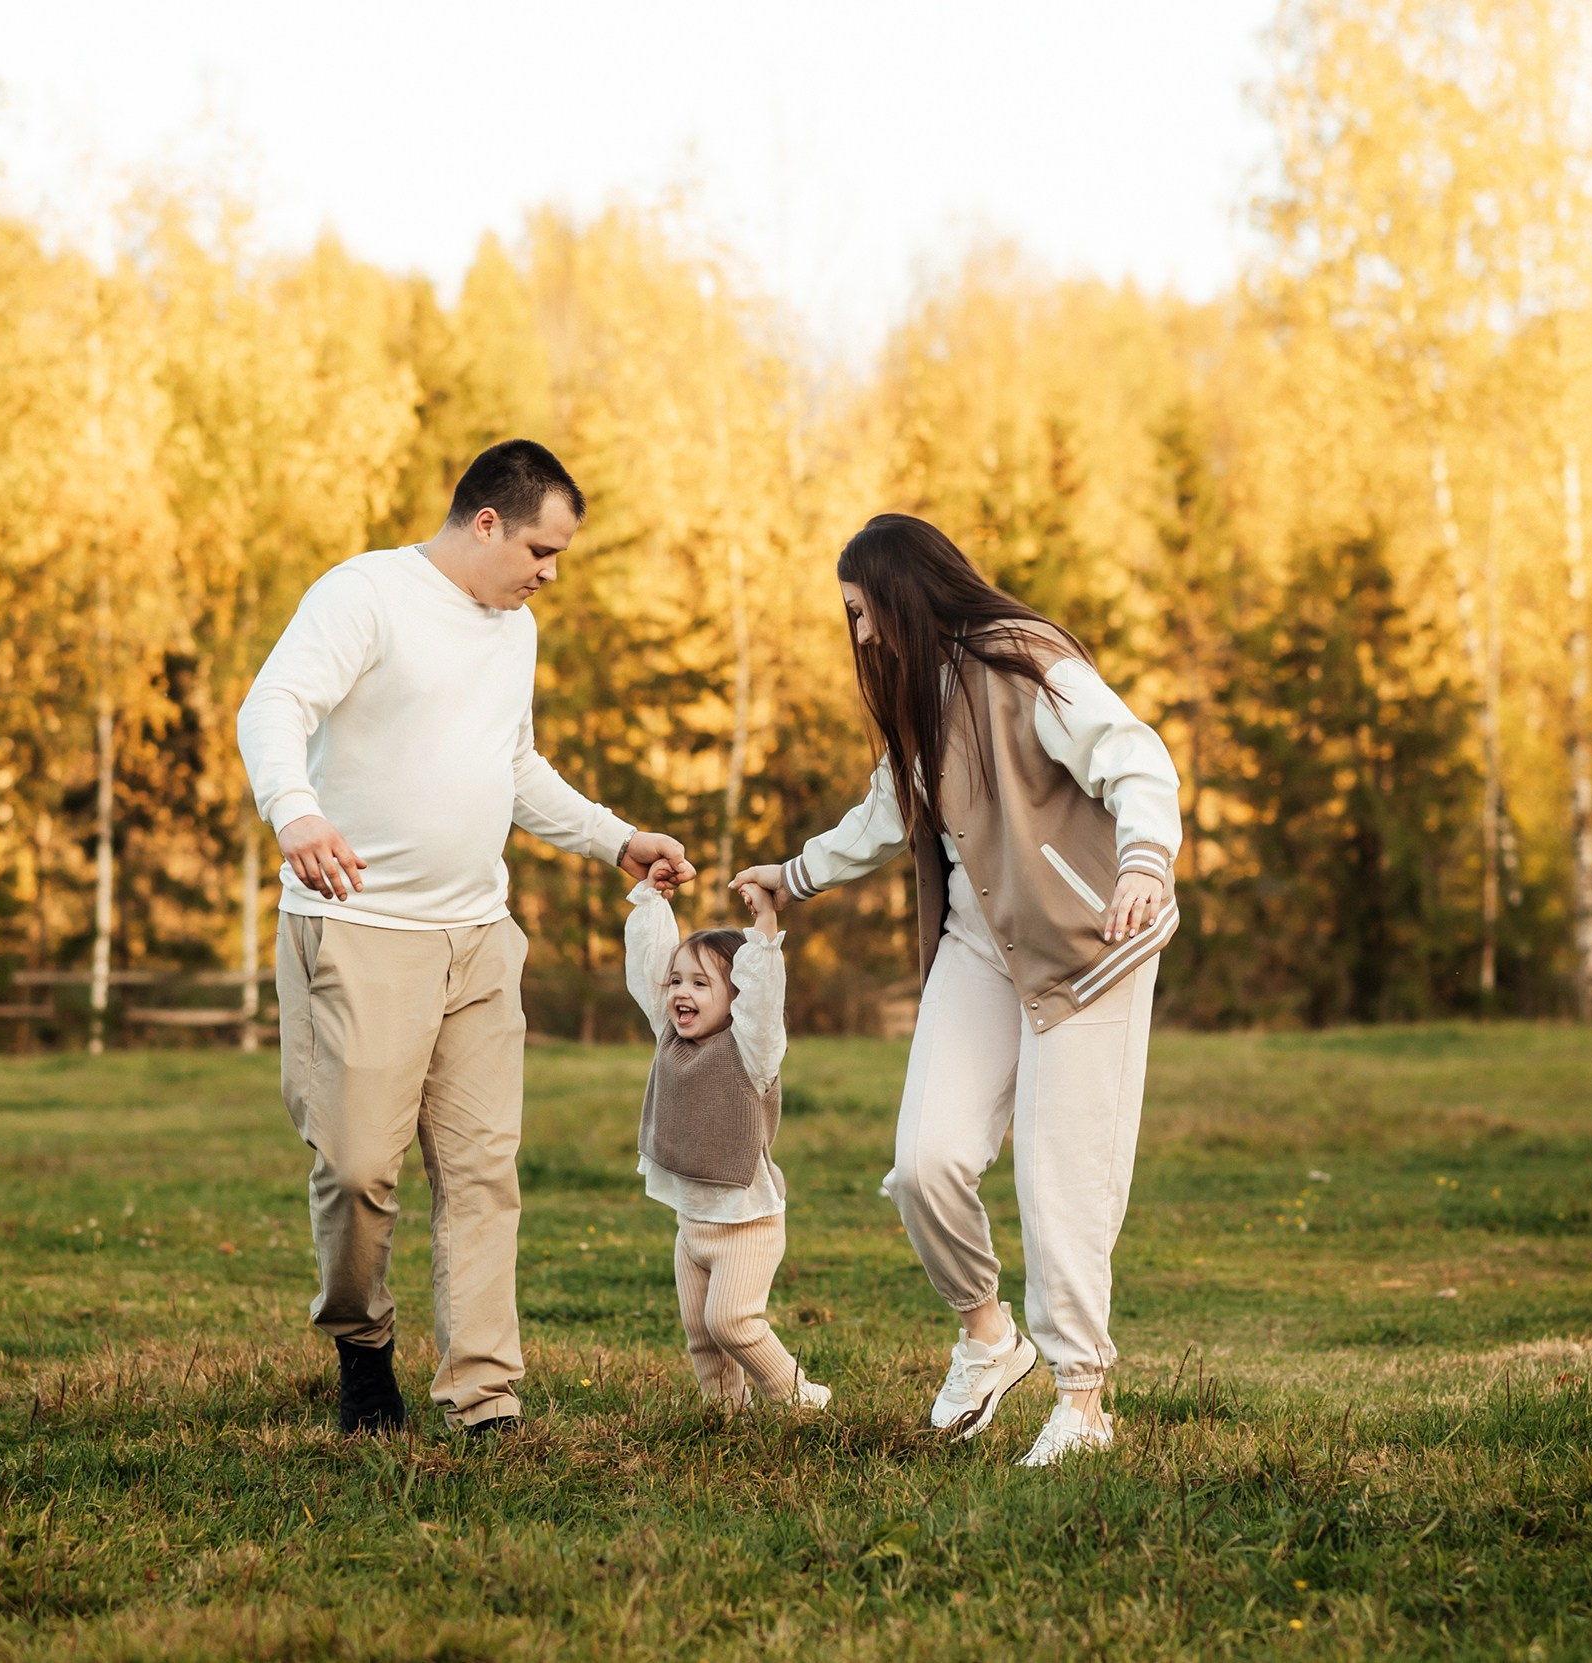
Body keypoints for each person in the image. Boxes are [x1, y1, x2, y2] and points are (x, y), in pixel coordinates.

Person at [237, 439, 694, 1438]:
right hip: (359, 931)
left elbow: (514, 765)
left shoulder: (510, 629)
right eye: (540, 548)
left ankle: (482, 1395)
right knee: (359, 1168)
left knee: (483, 1172)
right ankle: (363, 1348)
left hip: (479, 939)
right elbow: (274, 703)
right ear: (485, 521)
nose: (549, 572)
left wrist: (616, 838)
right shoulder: (364, 595)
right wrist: (295, 810)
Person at [732, 513, 1181, 1467]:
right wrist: (792, 875)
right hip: (981, 951)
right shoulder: (919, 695)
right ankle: (987, 1336)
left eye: (862, 610)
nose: (859, 633)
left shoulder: (1026, 662)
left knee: (1059, 1178)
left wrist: (1144, 861)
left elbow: (1135, 754)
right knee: (925, 1159)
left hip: (1088, 943)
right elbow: (887, 810)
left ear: (904, 591)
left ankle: (1082, 1402)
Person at [622, 871, 831, 1410]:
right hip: (691, 1223)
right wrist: (651, 901)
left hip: (747, 1223)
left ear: (735, 999)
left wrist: (763, 931)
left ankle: (796, 1397)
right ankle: (724, 1414)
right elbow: (649, 967)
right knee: (702, 1334)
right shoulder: (669, 1033)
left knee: (731, 1321)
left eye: (700, 983)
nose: (681, 993)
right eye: (678, 982)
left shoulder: (751, 1050)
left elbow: (763, 1002)